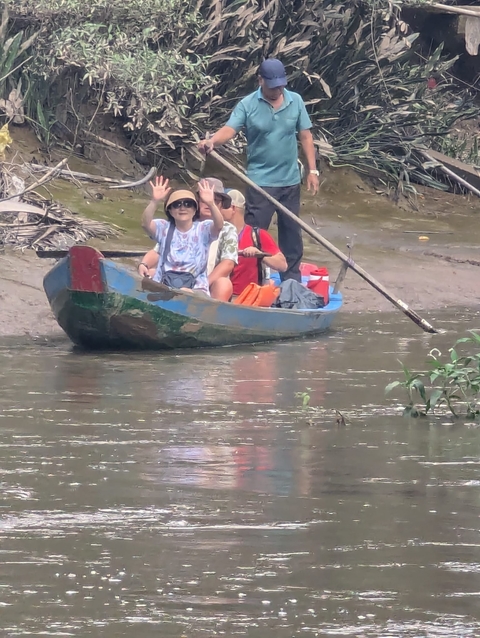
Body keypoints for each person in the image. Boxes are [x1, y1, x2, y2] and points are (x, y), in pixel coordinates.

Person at [197, 58, 319, 283]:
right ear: (260, 80)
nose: (277, 90)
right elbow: (230, 129)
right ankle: (249, 279)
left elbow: (305, 136)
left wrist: (313, 170)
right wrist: (213, 141)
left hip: (290, 181)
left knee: (291, 235)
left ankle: (291, 282)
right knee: (253, 235)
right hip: (260, 182)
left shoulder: (296, 101)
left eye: (280, 85)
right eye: (272, 86)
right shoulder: (248, 104)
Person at [139, 177, 237, 301]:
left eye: (188, 204)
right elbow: (153, 242)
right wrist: (154, 201)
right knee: (150, 273)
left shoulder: (209, 228)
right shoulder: (167, 227)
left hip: (201, 284)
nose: (182, 208)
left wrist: (211, 203)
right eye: (177, 205)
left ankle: (208, 315)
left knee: (222, 284)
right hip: (169, 280)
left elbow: (227, 262)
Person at [222, 189, 287, 297]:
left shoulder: (258, 235)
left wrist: (260, 255)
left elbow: (283, 265)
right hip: (220, 294)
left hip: (247, 298)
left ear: (233, 208)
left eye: (221, 205)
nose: (216, 209)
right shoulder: (213, 232)